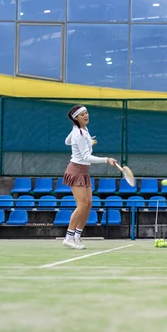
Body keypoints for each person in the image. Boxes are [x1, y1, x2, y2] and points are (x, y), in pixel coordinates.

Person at [62, 105, 116, 250]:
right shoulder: (79, 133)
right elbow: (86, 156)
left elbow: (67, 142)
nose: (86, 116)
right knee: (81, 205)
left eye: (86, 113)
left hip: (84, 171)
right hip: (75, 170)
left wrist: (87, 142)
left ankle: (77, 237)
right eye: (82, 115)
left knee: (88, 204)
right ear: (76, 118)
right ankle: (68, 237)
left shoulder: (82, 130)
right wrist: (106, 159)